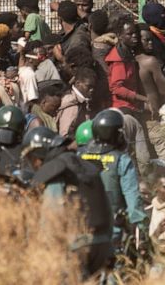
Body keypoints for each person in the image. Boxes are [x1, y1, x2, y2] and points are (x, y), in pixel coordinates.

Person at [22, 126, 114, 281]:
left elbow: (52, 218)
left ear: (39, 153)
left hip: (77, 247)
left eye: (32, 159)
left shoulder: (56, 170)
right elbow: (107, 207)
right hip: (104, 244)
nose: (34, 164)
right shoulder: (87, 166)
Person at [79, 110, 148, 246]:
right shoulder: (121, 160)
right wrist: (143, 231)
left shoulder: (77, 156)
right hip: (112, 231)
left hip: (80, 229)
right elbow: (133, 200)